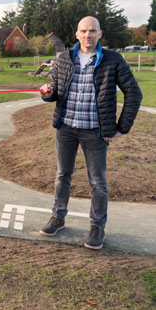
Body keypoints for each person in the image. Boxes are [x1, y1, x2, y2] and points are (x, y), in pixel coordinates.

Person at [39, 16, 142, 250]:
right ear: (77, 34)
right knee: (62, 175)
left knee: (98, 182)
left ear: (100, 34)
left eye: (92, 31)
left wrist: (120, 128)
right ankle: (58, 218)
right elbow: (55, 93)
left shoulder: (113, 60)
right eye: (84, 31)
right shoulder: (64, 59)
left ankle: (97, 227)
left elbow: (134, 94)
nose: (88, 35)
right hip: (65, 128)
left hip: (95, 132)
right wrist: (47, 94)